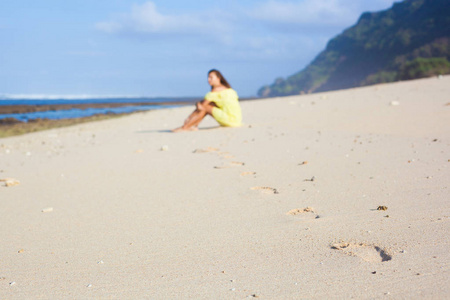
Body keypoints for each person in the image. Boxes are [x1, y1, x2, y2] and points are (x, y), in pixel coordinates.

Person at [172, 69, 242, 132]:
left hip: (230, 120)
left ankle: (185, 127)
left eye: (211, 77)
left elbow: (201, 107)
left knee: (205, 107)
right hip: (237, 120)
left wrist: (190, 117)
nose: (208, 79)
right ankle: (193, 126)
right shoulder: (228, 89)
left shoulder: (215, 91)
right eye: (208, 77)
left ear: (218, 78)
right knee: (210, 105)